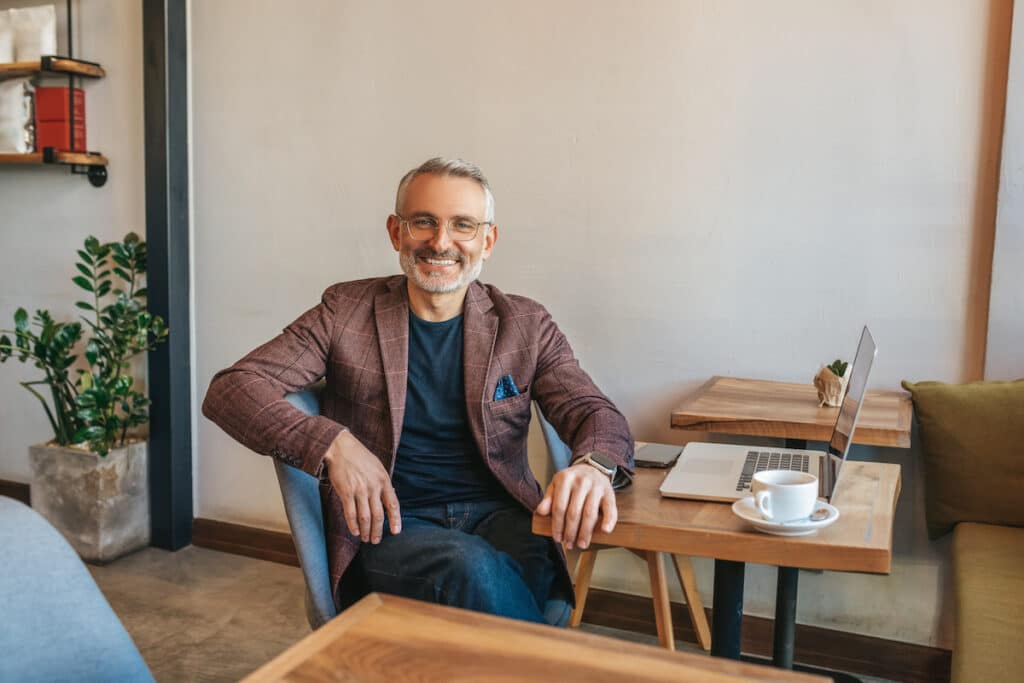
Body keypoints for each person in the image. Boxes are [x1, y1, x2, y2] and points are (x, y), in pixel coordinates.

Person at [202, 157, 634, 624]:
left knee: (510, 580)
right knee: (472, 571)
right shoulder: (344, 312)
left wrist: (594, 467)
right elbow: (232, 389)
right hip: (390, 527)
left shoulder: (524, 325)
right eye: (423, 222)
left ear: (487, 240)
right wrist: (332, 444)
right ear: (395, 232)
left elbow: (593, 412)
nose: (441, 242)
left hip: (504, 518)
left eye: (462, 225)